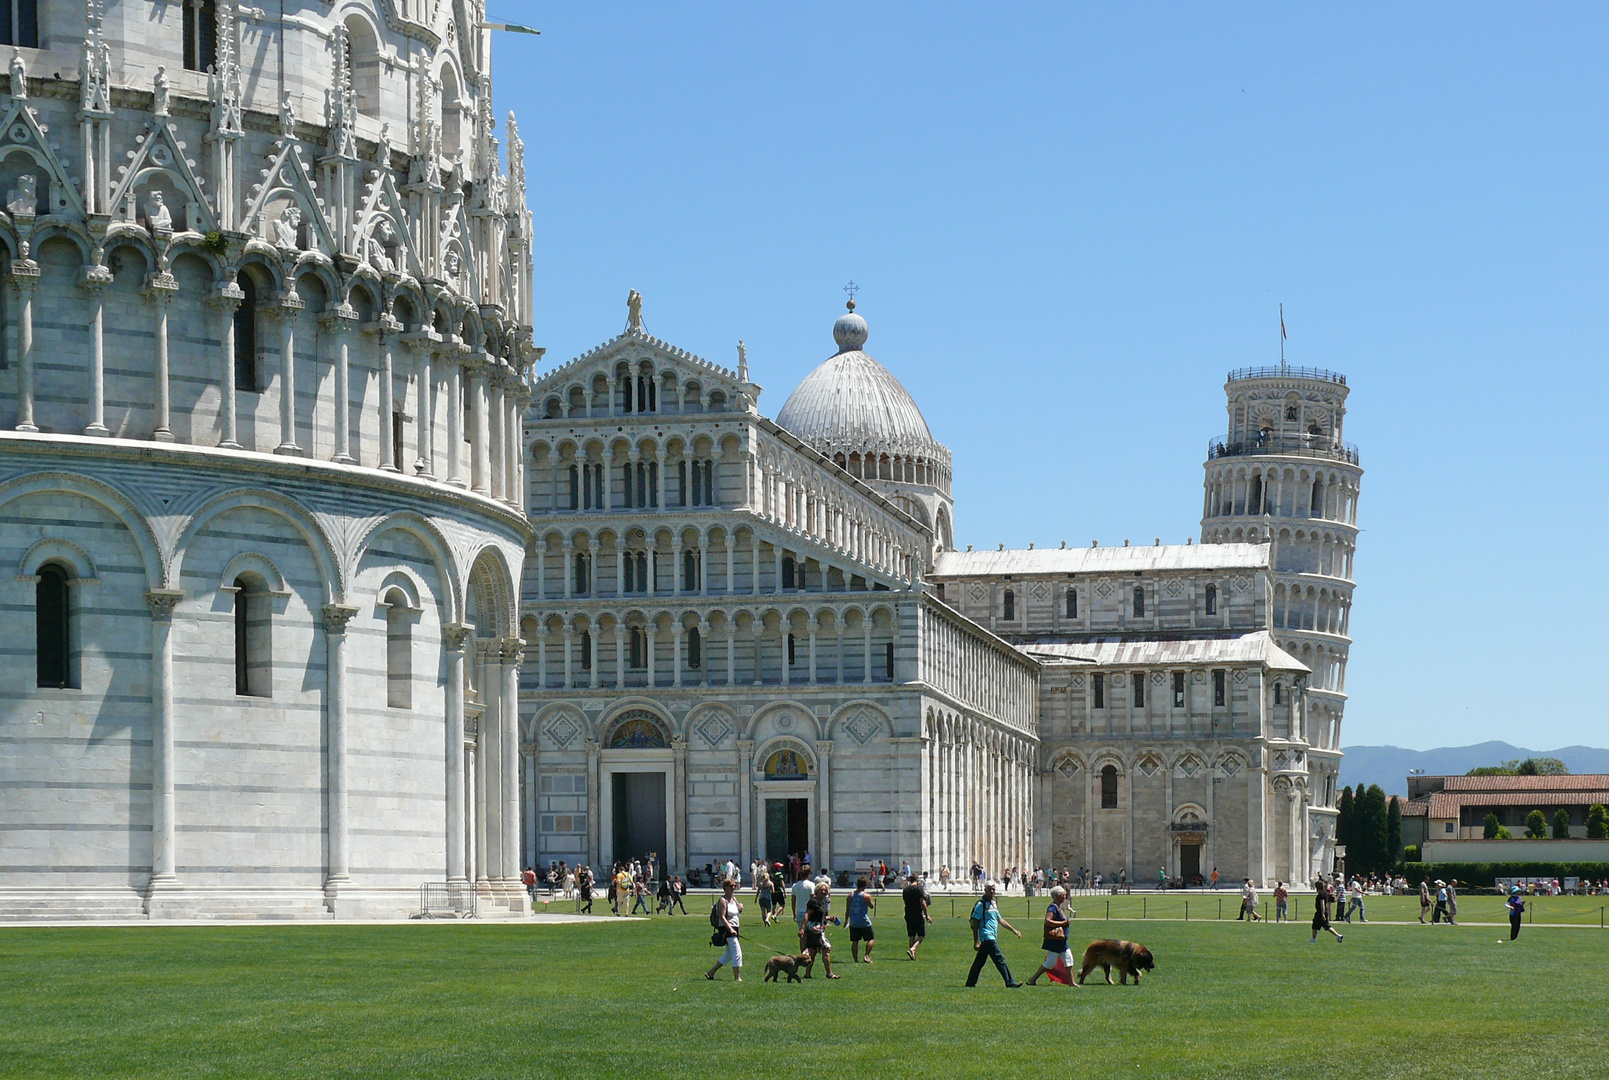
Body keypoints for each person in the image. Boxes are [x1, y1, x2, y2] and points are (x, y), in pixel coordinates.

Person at [965, 881, 1023, 988]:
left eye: (993, 889)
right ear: (985, 890)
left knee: (979, 962)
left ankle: (970, 982)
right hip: (987, 936)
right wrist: (976, 941)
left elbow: (1000, 920)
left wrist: (1014, 930)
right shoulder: (980, 905)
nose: (992, 891)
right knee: (1000, 959)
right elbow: (975, 922)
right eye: (990, 889)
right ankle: (1010, 982)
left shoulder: (993, 903)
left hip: (991, 936)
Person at [1025, 886, 1078, 987]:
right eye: (1063, 894)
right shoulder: (1053, 907)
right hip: (1055, 942)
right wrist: (1062, 923)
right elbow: (1048, 921)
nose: (1065, 895)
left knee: (1069, 960)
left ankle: (1072, 983)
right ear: (1058, 896)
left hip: (1062, 941)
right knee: (1049, 964)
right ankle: (1032, 979)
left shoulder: (1060, 907)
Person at [704, 879, 744, 982]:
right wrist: (730, 929)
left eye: (735, 886)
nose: (733, 887)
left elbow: (735, 913)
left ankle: (711, 972)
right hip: (727, 929)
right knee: (737, 952)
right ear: (725, 887)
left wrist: (740, 908)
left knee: (729, 954)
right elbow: (722, 916)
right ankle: (737, 977)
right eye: (731, 886)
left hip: (735, 928)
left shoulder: (734, 899)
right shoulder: (723, 900)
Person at [802, 880, 840, 979]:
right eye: (822, 890)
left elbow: (820, 915)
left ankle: (807, 973)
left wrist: (829, 918)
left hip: (820, 929)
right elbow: (807, 915)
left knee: (813, 951)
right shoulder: (813, 901)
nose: (824, 892)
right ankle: (829, 973)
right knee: (826, 948)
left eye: (826, 890)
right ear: (817, 891)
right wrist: (802, 929)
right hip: (814, 929)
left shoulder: (822, 902)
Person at [902, 873, 931, 960]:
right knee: (921, 935)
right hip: (917, 914)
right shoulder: (919, 889)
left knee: (911, 935)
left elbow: (905, 902)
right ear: (917, 880)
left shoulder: (905, 890)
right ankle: (913, 949)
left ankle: (913, 954)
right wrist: (926, 915)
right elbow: (923, 903)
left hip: (908, 913)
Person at [847, 877, 876, 962]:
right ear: (865, 885)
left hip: (853, 922)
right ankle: (866, 955)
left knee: (855, 941)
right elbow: (871, 906)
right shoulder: (866, 896)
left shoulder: (850, 895)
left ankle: (855, 959)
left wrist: (846, 920)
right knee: (871, 938)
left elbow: (847, 909)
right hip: (864, 921)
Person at [1308, 876, 1343, 944]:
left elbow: (1322, 904)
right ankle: (1338, 935)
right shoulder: (1325, 893)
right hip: (1323, 912)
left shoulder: (1320, 894)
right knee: (1326, 926)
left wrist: (1322, 913)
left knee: (1315, 925)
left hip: (1320, 912)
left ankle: (1313, 939)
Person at [791, 865, 815, 930]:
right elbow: (813, 900)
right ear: (809, 874)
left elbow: (793, 901)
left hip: (799, 913)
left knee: (802, 934)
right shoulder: (811, 885)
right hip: (809, 913)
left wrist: (794, 913)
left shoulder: (795, 885)